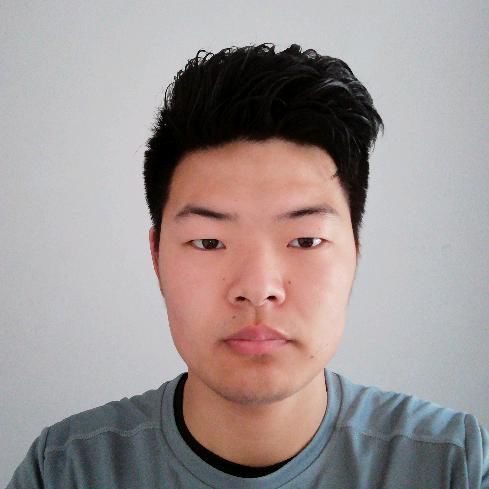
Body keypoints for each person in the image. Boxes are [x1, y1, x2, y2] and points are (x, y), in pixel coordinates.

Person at [8, 43, 488, 488]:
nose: (258, 288)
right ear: (156, 257)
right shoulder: (67, 470)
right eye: (209, 241)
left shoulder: (454, 465)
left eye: (306, 240)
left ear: (355, 253)